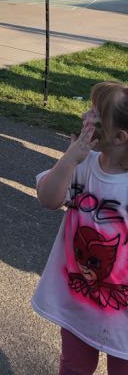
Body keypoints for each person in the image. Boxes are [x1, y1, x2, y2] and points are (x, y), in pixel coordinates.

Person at [32, 82, 128, 373]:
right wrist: (68, 161)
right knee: (73, 367)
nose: (85, 115)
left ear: (119, 136)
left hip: (122, 314)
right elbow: (48, 199)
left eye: (95, 114)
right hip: (79, 302)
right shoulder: (83, 164)